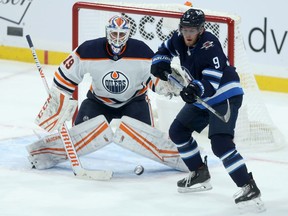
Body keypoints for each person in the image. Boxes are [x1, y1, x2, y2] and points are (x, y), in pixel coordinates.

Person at [27, 15, 188, 172]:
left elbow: (153, 80)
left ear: (128, 34)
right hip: (98, 102)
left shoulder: (141, 51)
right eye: (114, 33)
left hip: (134, 101)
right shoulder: (88, 50)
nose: (117, 38)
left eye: (121, 34)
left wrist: (168, 85)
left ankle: (186, 158)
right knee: (79, 135)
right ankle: (42, 155)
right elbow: (64, 77)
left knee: (146, 140)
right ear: (107, 32)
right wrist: (59, 99)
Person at [151, 8, 264, 209]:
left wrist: (194, 87)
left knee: (220, 143)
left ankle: (248, 186)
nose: (188, 34)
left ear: (201, 30)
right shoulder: (179, 38)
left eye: (192, 30)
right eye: (185, 29)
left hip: (224, 95)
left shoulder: (210, 45)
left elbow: (211, 82)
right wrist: (160, 63)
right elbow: (164, 51)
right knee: (178, 131)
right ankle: (199, 173)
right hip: (203, 96)